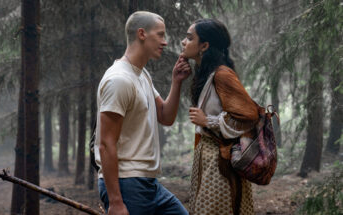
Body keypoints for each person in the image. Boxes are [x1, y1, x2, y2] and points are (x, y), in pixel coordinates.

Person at [94, 11, 191, 215]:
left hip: (149, 183)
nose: (165, 42)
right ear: (141, 34)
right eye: (160, 35)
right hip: (127, 184)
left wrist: (176, 81)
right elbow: (105, 143)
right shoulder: (119, 79)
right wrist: (116, 202)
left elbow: (165, 116)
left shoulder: (141, 73)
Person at [181, 19, 259, 215]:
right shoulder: (206, 74)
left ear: (204, 46)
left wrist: (208, 121)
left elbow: (249, 116)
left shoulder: (222, 75)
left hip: (221, 162)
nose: (183, 42)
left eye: (190, 38)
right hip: (207, 159)